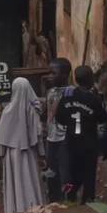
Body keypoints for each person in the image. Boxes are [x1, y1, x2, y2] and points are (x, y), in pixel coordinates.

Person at [54, 65, 107, 203]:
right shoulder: (94, 99)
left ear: (76, 80)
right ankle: (88, 198)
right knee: (89, 171)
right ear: (90, 79)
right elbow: (103, 118)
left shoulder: (67, 98)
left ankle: (70, 195)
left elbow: (59, 117)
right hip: (89, 142)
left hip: (71, 141)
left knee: (72, 170)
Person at [0, 76, 47, 213]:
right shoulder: (33, 110)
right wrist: (41, 153)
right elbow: (38, 134)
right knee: (29, 179)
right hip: (28, 152)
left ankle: (15, 211)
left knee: (15, 183)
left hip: (11, 155)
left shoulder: (7, 111)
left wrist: (2, 153)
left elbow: (2, 136)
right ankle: (33, 208)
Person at [41, 58, 71, 199]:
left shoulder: (71, 92)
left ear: (64, 75)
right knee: (51, 170)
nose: (49, 76)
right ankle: (54, 198)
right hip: (51, 138)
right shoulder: (50, 91)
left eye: (53, 73)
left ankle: (69, 199)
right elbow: (46, 113)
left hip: (65, 138)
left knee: (66, 171)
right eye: (49, 73)